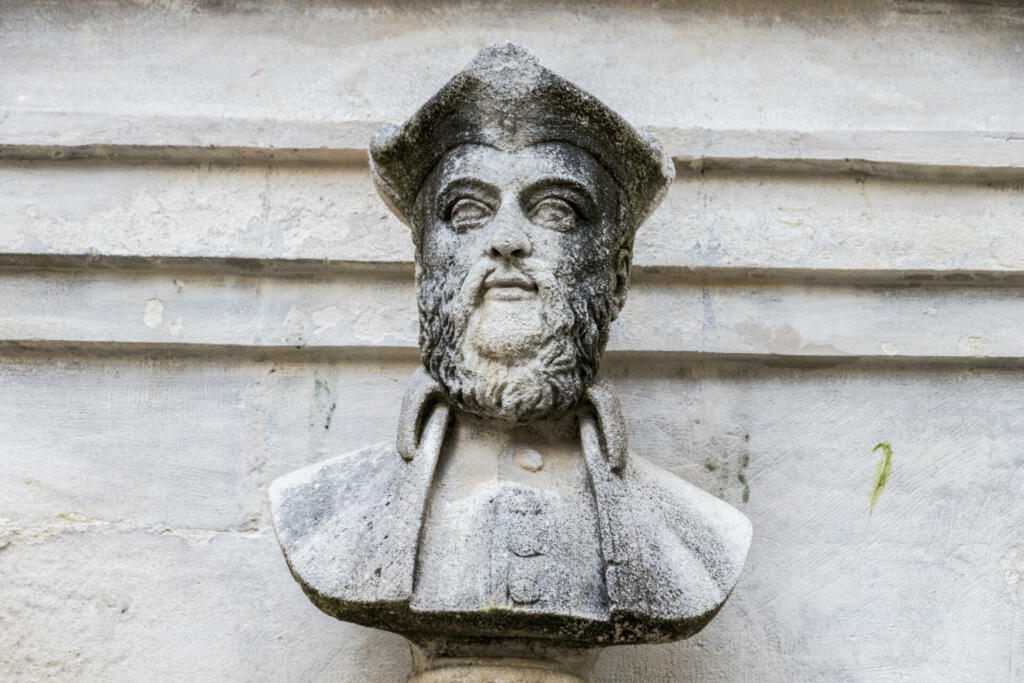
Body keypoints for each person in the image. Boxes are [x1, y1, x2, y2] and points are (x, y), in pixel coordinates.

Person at [270, 43, 750, 650]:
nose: (507, 241)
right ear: (423, 265)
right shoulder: (322, 511)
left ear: (617, 269)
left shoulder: (698, 537)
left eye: (554, 210)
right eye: (468, 210)